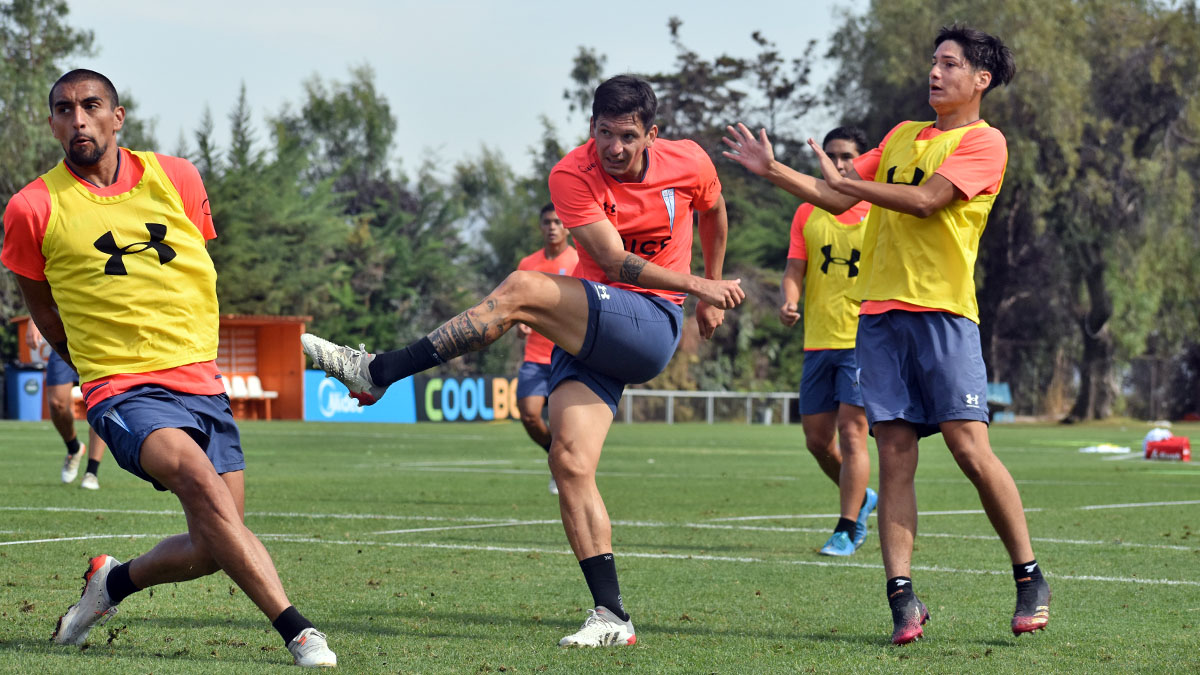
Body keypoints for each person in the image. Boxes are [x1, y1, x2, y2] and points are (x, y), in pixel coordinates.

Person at [303, 74, 744, 648]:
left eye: (627, 136)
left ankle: (378, 370)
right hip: (597, 326)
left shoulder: (688, 162)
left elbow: (714, 210)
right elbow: (611, 261)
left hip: (652, 323)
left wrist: (705, 290)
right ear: (591, 127)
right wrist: (703, 285)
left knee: (522, 290)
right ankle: (612, 616)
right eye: (604, 132)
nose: (613, 147)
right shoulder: (571, 173)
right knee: (568, 462)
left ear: (651, 135)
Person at [723, 25, 1049, 644]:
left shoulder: (986, 143)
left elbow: (926, 200)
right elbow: (832, 196)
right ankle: (902, 598)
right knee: (895, 457)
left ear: (980, 80)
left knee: (969, 450)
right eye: (933, 61)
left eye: (950, 64)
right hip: (877, 318)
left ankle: (1029, 575)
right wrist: (773, 171)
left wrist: (847, 184)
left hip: (945, 315)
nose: (936, 71)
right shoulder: (901, 136)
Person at [1, 69, 336, 667]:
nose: (77, 118)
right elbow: (42, 307)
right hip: (121, 389)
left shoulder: (177, 176)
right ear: (51, 123)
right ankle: (297, 629)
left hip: (200, 382)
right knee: (196, 479)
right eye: (63, 109)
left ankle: (113, 583)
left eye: (90, 105)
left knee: (212, 545)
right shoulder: (32, 207)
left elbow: (189, 268)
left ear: (117, 115)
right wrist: (94, 369)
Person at [780, 127, 876, 557]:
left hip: (863, 338)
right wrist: (789, 301)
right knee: (817, 441)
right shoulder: (807, 211)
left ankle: (846, 526)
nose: (839, 164)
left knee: (854, 432)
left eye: (847, 156)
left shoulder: (878, 208)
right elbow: (794, 271)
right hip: (817, 341)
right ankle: (862, 498)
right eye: (832, 155)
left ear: (863, 160)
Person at [514, 203, 579, 495]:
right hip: (536, 356)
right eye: (547, 222)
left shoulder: (580, 262)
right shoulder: (528, 264)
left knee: (563, 422)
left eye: (557, 221)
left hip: (568, 355)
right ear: (540, 227)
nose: (552, 227)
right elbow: (517, 307)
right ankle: (556, 459)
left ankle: (564, 467)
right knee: (528, 414)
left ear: (566, 227)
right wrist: (520, 323)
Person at [26, 323, 109, 489]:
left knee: (100, 402)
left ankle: (91, 472)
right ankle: (74, 448)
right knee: (56, 403)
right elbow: (44, 296)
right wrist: (32, 320)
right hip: (67, 334)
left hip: (101, 339)